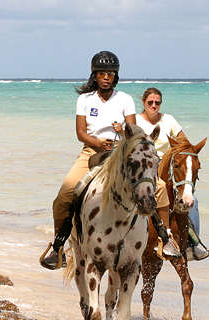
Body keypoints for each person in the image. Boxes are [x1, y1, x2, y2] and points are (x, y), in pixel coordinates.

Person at [39, 51, 179, 270]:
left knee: (159, 187)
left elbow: (135, 132)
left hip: (120, 153)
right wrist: (96, 142)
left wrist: (123, 131)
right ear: (95, 75)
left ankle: (166, 238)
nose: (107, 77)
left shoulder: (124, 99)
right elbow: (80, 133)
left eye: (111, 74)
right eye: (102, 73)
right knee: (64, 194)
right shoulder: (84, 99)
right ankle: (58, 247)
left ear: (116, 76)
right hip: (90, 152)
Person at [136, 87, 209, 261]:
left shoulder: (168, 120)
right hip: (144, 166)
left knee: (191, 198)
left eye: (157, 103)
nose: (154, 106)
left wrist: (185, 153)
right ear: (144, 103)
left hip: (168, 167)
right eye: (150, 102)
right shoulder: (136, 121)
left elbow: (184, 143)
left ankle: (193, 243)